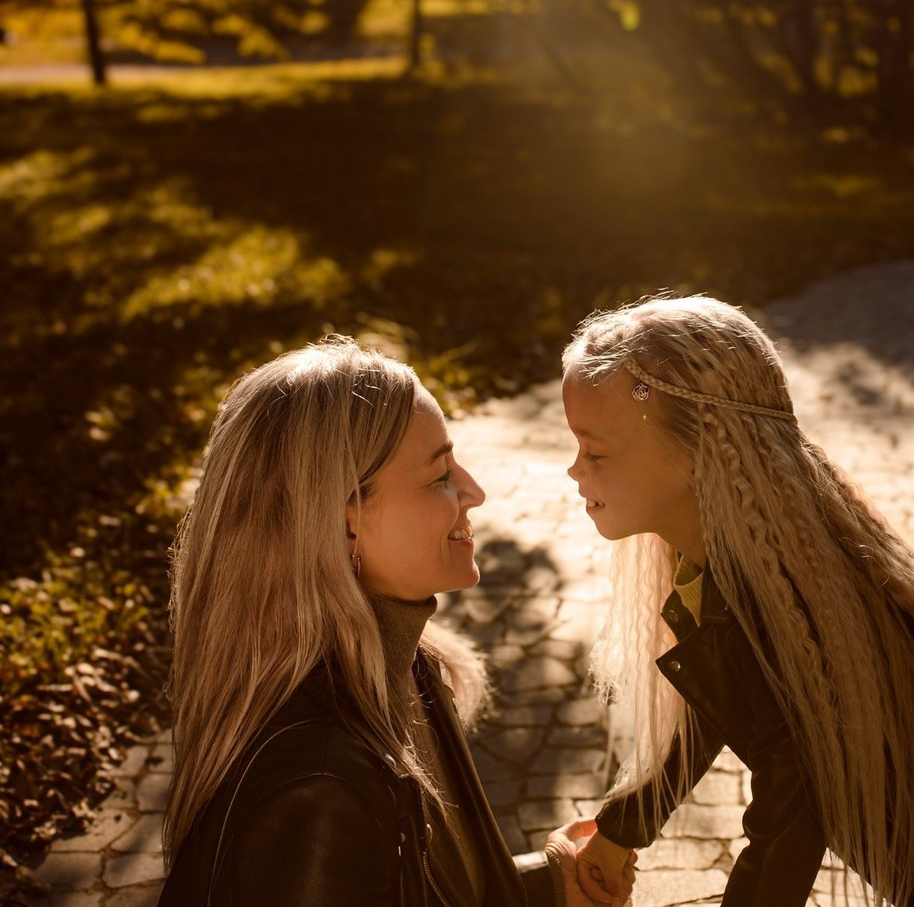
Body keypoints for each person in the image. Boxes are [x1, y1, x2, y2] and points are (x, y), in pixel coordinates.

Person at [560, 296, 914, 907]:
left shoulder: (782, 605)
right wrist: (621, 831)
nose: (574, 470)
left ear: (696, 452)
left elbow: (786, 831)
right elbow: (723, 702)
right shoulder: (730, 557)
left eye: (595, 451)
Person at [160, 336, 632, 907]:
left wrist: (547, 886)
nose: (475, 492)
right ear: (345, 524)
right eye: (439, 477)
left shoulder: (411, 668)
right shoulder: (317, 794)